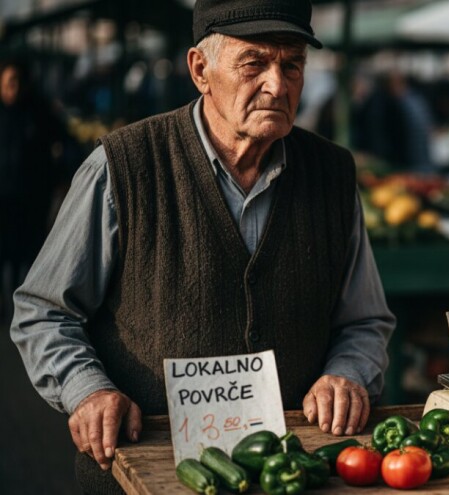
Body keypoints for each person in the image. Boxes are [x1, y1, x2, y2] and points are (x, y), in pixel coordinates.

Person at [10, 1, 394, 493]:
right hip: (146, 476)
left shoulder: (333, 176)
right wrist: (89, 391)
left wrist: (349, 373)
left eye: (292, 64)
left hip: (289, 475)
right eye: (254, 62)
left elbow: (365, 320)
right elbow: (43, 310)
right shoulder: (121, 168)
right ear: (200, 70)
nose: (278, 84)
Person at [0, 60, 67, 318]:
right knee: (6, 253)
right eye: (7, 83)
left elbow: (63, 143)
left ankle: (26, 304)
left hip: (32, 197)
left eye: (15, 82)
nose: (11, 89)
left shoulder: (39, 113)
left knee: (30, 254)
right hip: (3, 198)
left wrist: (58, 178)